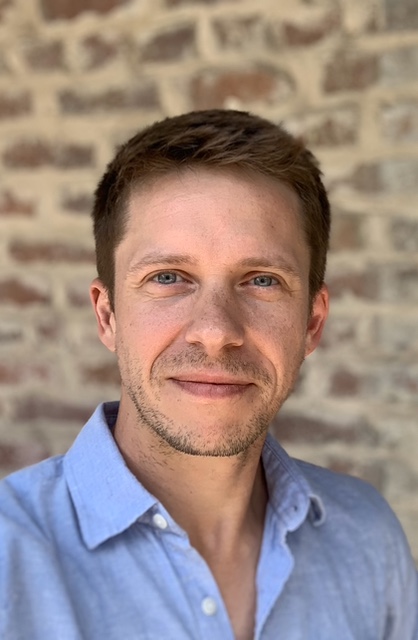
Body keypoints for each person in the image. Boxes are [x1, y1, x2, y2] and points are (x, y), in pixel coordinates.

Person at [0, 110, 416, 640]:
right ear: (108, 317)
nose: (215, 332)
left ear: (312, 323)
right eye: (168, 277)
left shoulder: (368, 539)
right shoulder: (9, 557)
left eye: (261, 280)